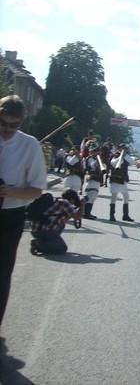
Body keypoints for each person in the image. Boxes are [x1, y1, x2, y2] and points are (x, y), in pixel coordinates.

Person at [0, 94, 47, 328]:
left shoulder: (29, 145)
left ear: (22, 121)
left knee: (1, 273)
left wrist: (10, 191)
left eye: (13, 125)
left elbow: (37, 190)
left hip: (9, 217)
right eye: (3, 123)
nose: (7, 129)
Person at [29, 189, 83, 255]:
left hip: (34, 231)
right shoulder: (65, 203)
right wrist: (82, 205)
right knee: (62, 249)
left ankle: (45, 241)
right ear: (72, 199)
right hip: (46, 232)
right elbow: (78, 218)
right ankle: (39, 245)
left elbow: (63, 220)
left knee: (62, 224)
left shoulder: (54, 200)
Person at [109, 143, 136, 222]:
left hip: (122, 179)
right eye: (121, 148)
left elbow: (132, 162)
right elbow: (114, 164)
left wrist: (124, 155)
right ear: (118, 149)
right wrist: (120, 156)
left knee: (126, 196)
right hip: (115, 179)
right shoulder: (114, 156)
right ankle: (112, 215)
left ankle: (125, 215)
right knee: (114, 197)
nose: (123, 150)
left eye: (124, 148)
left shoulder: (125, 157)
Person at [82, 144, 103, 220]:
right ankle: (85, 213)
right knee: (90, 196)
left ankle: (88, 212)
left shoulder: (95, 158)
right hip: (92, 178)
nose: (98, 153)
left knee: (93, 196)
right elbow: (92, 166)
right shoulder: (90, 158)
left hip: (96, 179)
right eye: (97, 151)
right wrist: (98, 160)